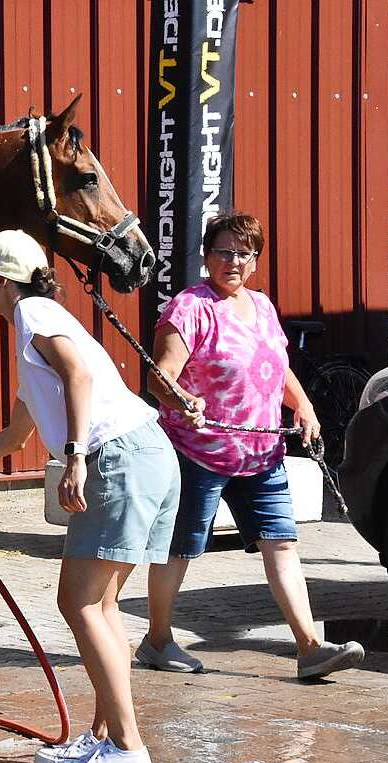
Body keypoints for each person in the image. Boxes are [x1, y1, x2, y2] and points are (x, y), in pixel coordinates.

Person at [0, 229, 178, 763]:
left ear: (0, 281)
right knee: (103, 606)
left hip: (117, 457)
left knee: (79, 603)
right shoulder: (37, 332)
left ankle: (129, 749)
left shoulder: (35, 314)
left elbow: (79, 375)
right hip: (148, 453)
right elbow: (16, 436)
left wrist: (77, 455)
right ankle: (105, 738)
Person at [137, 210, 365, 680]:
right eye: (223, 251)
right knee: (180, 549)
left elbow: (277, 367)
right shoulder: (189, 307)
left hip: (261, 455)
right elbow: (159, 376)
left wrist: (304, 406)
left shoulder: (261, 306)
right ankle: (158, 641)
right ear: (206, 256)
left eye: (244, 253)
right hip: (198, 452)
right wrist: (180, 398)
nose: (233, 261)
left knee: (281, 544)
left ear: (256, 261)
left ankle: (309, 648)